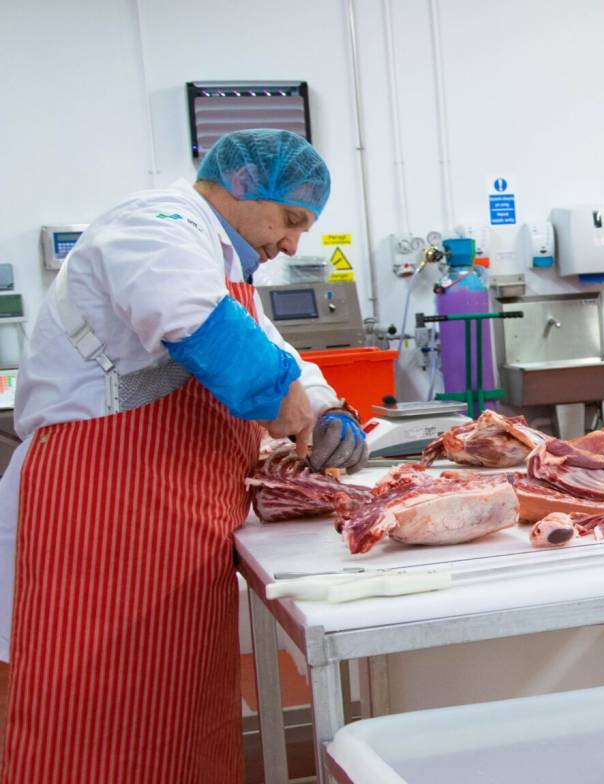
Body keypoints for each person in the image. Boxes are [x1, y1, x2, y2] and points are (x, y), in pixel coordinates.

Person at [0, 129, 369, 780]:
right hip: (95, 518)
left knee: (182, 717)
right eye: (290, 220)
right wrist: (282, 403)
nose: (291, 245)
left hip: (173, 524)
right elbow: (208, 333)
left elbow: (276, 353)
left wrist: (327, 407)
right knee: (90, 718)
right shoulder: (153, 227)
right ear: (243, 186)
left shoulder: (219, 265)